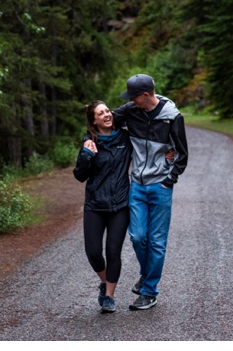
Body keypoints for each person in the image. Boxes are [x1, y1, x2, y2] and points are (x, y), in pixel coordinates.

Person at [112, 74, 189, 310]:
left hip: (160, 187)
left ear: (145, 95)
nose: (131, 101)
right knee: (137, 236)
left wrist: (169, 179)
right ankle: (146, 274)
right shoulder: (131, 111)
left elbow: (182, 154)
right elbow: (107, 121)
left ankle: (149, 291)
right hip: (137, 185)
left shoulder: (172, 117)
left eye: (133, 97)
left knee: (156, 241)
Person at [73, 100, 132, 313]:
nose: (107, 115)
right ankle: (104, 280)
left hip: (120, 204)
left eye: (108, 111)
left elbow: (146, 148)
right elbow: (79, 175)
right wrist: (86, 156)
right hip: (95, 204)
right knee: (94, 252)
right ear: (94, 120)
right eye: (101, 113)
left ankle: (109, 296)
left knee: (113, 251)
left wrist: (166, 152)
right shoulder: (90, 142)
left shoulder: (125, 137)